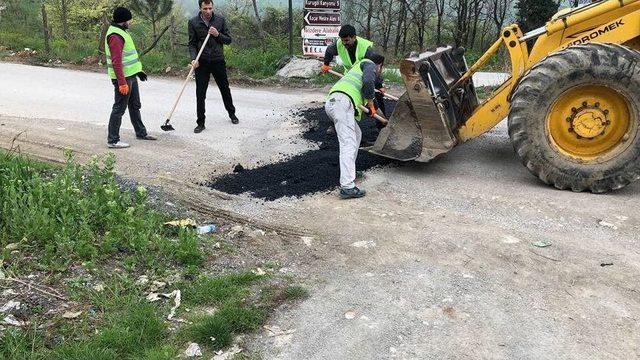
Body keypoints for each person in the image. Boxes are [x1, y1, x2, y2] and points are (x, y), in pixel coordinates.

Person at [324, 54, 385, 199]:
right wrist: (370, 104)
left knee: (357, 135)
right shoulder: (369, 64)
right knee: (348, 143)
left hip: (334, 103)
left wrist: (379, 114)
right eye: (381, 69)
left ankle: (351, 171)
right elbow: (369, 81)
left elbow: (369, 90)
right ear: (380, 65)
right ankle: (347, 187)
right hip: (341, 103)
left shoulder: (357, 69)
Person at [105, 6, 156, 149]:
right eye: (129, 19)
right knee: (119, 108)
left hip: (131, 76)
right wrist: (121, 82)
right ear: (123, 21)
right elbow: (116, 61)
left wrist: (138, 71)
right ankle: (113, 140)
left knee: (135, 105)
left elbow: (128, 57)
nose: (131, 22)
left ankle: (141, 133)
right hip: (123, 79)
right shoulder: (115, 36)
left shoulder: (122, 31)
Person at [321, 25, 387, 128]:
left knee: (376, 96)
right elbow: (329, 50)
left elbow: (374, 70)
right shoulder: (339, 44)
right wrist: (326, 63)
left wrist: (379, 85)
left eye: (347, 40)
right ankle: (337, 125)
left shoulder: (366, 49)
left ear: (354, 37)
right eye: (343, 40)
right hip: (350, 77)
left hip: (366, 75)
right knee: (342, 100)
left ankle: (382, 126)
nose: (344, 43)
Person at [188, 0, 238, 133]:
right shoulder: (193, 22)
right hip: (202, 61)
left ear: (213, 7)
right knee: (200, 93)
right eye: (205, 9)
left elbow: (228, 40)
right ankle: (200, 122)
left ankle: (232, 114)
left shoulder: (220, 20)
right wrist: (194, 59)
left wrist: (217, 34)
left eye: (210, 8)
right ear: (200, 8)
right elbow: (192, 43)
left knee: (224, 89)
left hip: (217, 60)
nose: (208, 11)